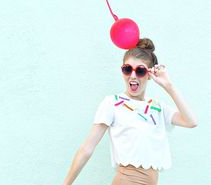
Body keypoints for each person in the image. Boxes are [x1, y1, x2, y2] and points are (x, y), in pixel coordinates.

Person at [62, 38, 198, 185]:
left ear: (149, 74)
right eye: (127, 69)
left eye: (140, 70)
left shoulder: (157, 107)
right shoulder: (112, 103)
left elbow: (191, 122)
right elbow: (87, 148)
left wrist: (169, 86)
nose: (132, 75)